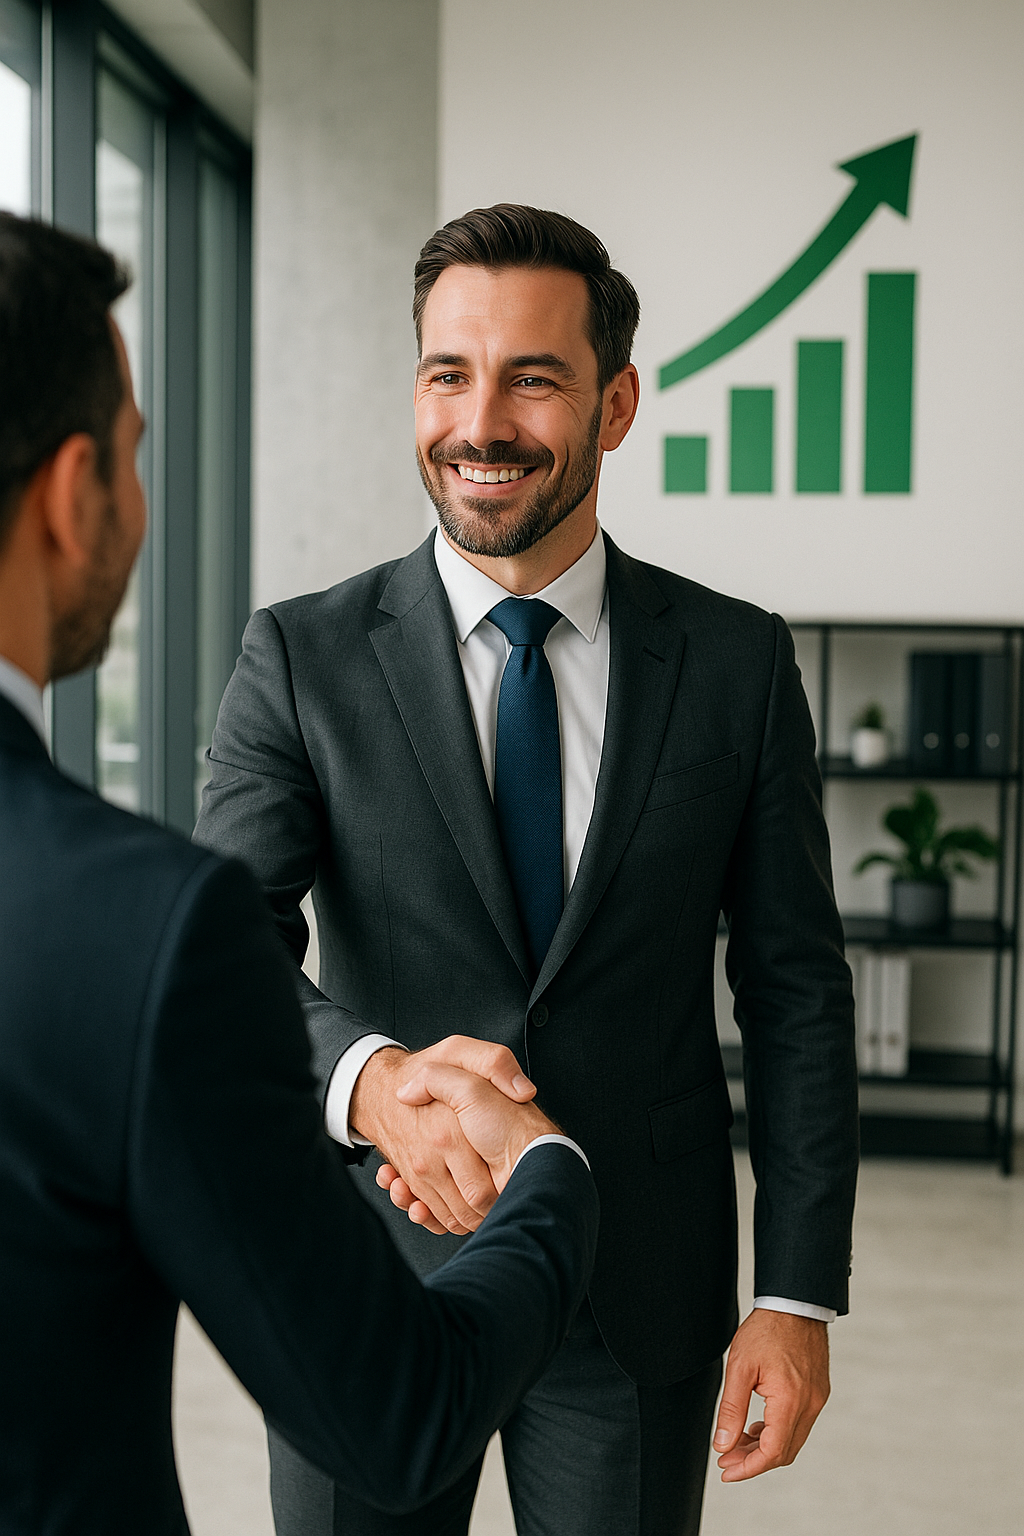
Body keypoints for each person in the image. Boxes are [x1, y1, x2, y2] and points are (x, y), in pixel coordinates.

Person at [195, 204, 859, 1536]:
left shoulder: (735, 664)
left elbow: (796, 988)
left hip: (636, 1285)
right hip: (370, 1268)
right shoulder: (300, 657)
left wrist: (795, 1296)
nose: (481, 423)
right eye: (449, 374)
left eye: (532, 379)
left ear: (616, 406)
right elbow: (222, 951)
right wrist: (372, 1087)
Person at [0, 210, 601, 1535]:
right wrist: (552, 1169)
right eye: (135, 454)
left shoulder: (727, 660)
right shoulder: (136, 927)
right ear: (71, 490)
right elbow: (397, 1414)